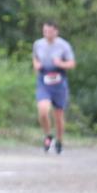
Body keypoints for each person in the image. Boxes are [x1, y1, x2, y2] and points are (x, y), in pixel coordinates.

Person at [32, 21, 75, 154]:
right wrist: (36, 65)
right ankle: (47, 136)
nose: (47, 34)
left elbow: (72, 64)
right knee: (43, 110)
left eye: (49, 31)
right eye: (45, 31)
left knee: (58, 115)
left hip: (59, 82)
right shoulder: (38, 44)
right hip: (44, 80)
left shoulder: (64, 45)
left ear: (56, 31)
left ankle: (60, 140)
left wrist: (60, 63)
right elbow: (35, 58)